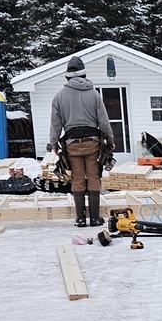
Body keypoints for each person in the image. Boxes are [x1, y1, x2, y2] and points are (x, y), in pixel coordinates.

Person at [49, 56, 113, 227]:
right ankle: (94, 218)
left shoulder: (59, 97)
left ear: (67, 76)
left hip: (72, 145)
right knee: (93, 178)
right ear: (84, 75)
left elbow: (55, 124)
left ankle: (80, 219)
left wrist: (54, 144)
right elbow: (104, 121)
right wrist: (110, 139)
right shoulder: (94, 94)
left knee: (77, 178)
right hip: (93, 143)